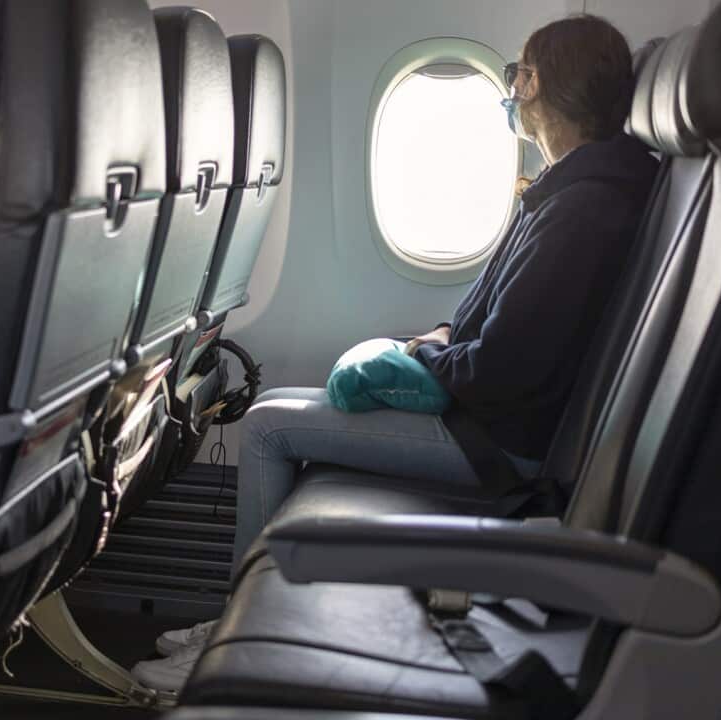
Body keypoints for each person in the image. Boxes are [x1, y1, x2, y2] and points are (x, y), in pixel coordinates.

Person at [132, 13, 659, 692]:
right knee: (279, 408)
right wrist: (437, 338)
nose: (511, 89)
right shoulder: (565, 194)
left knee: (264, 427)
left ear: (538, 84)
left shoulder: (581, 213)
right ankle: (237, 620)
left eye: (518, 73)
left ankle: (233, 640)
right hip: (489, 419)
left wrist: (425, 356)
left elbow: (500, 369)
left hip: (499, 444)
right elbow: (491, 328)